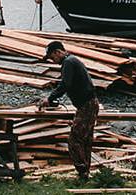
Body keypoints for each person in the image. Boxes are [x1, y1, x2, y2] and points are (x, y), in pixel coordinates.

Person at [40, 40, 98, 178]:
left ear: (58, 52)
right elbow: (68, 84)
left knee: (74, 140)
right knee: (85, 140)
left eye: (53, 57)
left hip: (86, 105)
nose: (53, 61)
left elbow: (65, 84)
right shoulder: (71, 61)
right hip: (88, 103)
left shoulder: (68, 63)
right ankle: (85, 173)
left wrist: (49, 98)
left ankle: (83, 172)